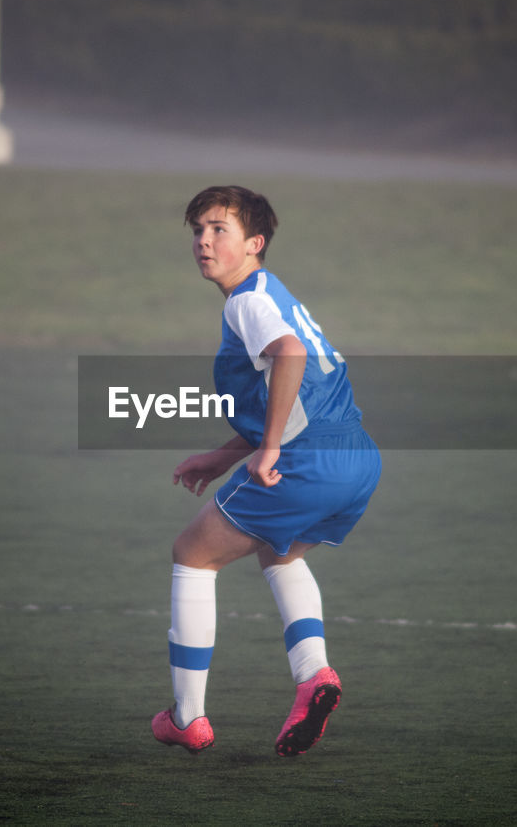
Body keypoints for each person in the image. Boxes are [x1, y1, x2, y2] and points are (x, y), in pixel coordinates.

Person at [151, 186, 382, 757]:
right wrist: (227, 453)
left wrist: (270, 448)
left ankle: (187, 716)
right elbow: (294, 388)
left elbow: (290, 356)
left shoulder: (247, 301)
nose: (204, 241)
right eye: (198, 230)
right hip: (355, 456)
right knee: (281, 552)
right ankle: (313, 678)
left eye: (219, 229)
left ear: (254, 244)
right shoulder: (270, 294)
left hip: (307, 461)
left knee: (193, 554)